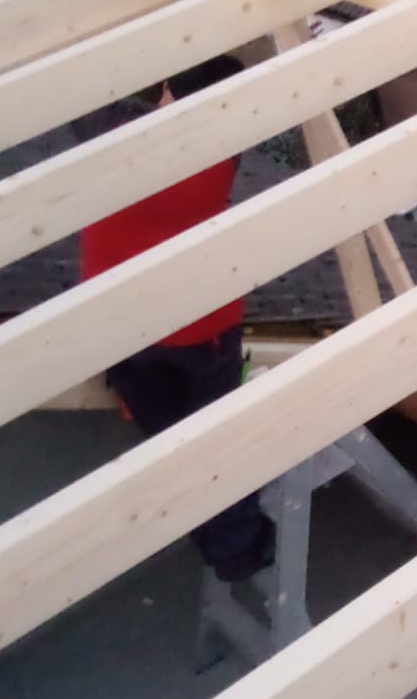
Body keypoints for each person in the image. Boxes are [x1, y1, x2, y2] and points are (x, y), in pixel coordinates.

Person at [80, 56, 275, 582]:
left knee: (167, 439)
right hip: (202, 327)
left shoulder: (110, 139)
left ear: (166, 87)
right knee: (216, 448)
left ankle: (204, 529)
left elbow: (85, 100)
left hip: (122, 329)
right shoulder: (224, 148)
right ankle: (236, 552)